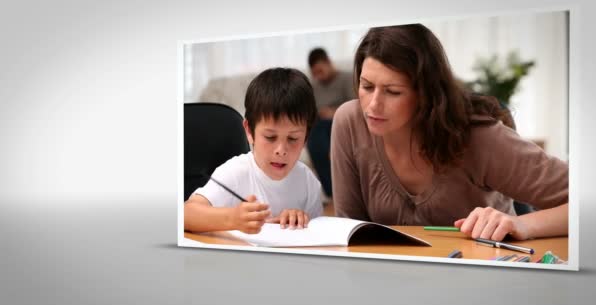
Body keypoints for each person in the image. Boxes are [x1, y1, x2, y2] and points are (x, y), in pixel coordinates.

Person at [330, 24, 568, 242]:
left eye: (393, 92)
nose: (372, 105)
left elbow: (590, 203)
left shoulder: (480, 138)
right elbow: (349, 232)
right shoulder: (349, 122)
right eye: (367, 86)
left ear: (426, 94)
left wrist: (523, 225)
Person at [184, 67, 323, 233]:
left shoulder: (308, 182)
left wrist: (301, 219)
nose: (281, 150)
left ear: (306, 137)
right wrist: (233, 218)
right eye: (270, 137)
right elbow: (185, 214)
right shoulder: (235, 172)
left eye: (293, 139)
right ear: (249, 131)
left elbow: (318, 232)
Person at [306, 48, 356, 197]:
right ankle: (332, 192)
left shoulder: (347, 78)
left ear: (328, 62)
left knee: (320, 137)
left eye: (320, 71)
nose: (318, 76)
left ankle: (342, 189)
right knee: (315, 141)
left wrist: (335, 112)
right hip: (320, 124)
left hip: (342, 121)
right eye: (315, 73)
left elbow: (356, 105)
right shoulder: (314, 86)